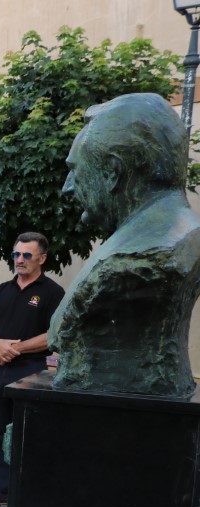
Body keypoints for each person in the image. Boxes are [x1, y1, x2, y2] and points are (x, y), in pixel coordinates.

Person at [50, 92, 200, 398]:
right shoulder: (182, 237)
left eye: (75, 170)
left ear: (112, 172)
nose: (67, 187)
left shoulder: (138, 258)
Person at [0, 232, 64, 507]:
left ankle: (30, 490)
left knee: (29, 433)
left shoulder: (53, 292)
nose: (20, 260)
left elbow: (54, 335)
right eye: (16, 254)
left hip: (29, 371)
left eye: (27, 255)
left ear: (42, 258)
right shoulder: (3, 289)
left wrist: (15, 349)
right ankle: (3, 488)